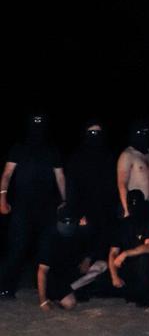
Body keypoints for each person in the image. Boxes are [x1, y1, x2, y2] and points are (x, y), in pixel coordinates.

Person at [0, 114, 67, 299]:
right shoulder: (19, 147)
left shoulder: (52, 149)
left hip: (46, 207)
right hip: (22, 206)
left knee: (46, 248)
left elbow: (60, 176)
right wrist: (2, 198)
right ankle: (6, 287)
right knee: (17, 247)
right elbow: (7, 174)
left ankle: (45, 289)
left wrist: (65, 200)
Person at [65, 120, 116, 293]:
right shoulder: (77, 157)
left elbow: (114, 184)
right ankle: (76, 286)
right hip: (84, 211)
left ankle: (97, 286)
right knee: (82, 248)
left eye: (98, 133)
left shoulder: (108, 155)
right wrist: (77, 212)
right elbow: (71, 187)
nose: (95, 137)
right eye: (91, 133)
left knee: (103, 246)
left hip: (105, 209)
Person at [108, 190, 149, 308]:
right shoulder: (121, 225)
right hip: (128, 266)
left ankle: (144, 296)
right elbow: (113, 252)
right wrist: (114, 276)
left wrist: (126, 253)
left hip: (145, 265)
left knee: (144, 259)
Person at [37, 206, 90, 311]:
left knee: (102, 265)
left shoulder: (80, 230)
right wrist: (42, 301)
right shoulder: (48, 236)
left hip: (72, 270)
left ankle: (73, 290)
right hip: (55, 276)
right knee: (70, 304)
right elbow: (42, 271)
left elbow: (91, 246)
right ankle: (59, 295)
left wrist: (87, 259)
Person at [117, 121, 149, 222]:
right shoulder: (127, 155)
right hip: (135, 205)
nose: (144, 135)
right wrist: (126, 209)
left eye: (146, 132)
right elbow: (122, 184)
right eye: (141, 133)